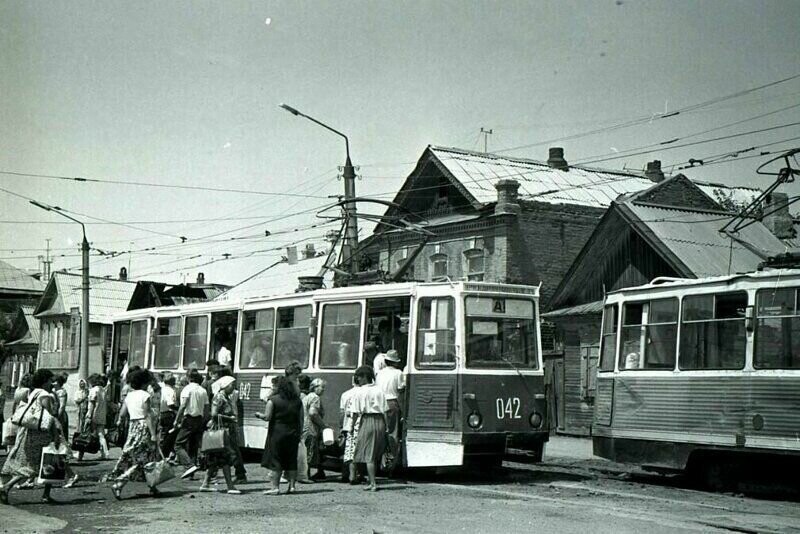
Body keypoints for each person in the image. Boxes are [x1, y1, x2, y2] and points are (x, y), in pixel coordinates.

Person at [0, 369, 62, 504]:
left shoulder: (34, 392)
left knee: (42, 463)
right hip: (43, 434)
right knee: (46, 462)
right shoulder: (45, 395)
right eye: (50, 381)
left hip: (31, 432)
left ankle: (45, 494)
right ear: (45, 381)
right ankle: (7, 487)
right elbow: (49, 416)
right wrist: (56, 435)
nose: (52, 383)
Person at [109, 369, 160, 500]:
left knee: (144, 457)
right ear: (144, 383)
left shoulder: (129, 396)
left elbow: (122, 414)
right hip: (143, 427)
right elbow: (148, 415)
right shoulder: (145, 395)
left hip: (133, 427)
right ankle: (120, 483)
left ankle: (152, 486)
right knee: (143, 459)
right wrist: (153, 434)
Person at [256, 375, 302, 495]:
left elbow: (267, 417)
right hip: (293, 433)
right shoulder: (297, 400)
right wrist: (299, 433)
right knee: (292, 460)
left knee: (276, 459)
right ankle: (292, 486)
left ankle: (275, 487)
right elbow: (301, 419)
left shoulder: (273, 400)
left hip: (277, 433)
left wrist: (259, 415)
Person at [198, 375, 242, 494]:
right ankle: (230, 486)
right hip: (221, 433)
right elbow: (214, 414)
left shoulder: (226, 397)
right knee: (225, 458)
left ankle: (205, 484)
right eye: (232, 385)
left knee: (215, 459)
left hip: (224, 432)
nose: (233, 387)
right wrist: (230, 418)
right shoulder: (219, 397)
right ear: (225, 386)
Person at [350, 365, 389, 491]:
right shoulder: (379, 390)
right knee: (375, 451)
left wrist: (351, 426)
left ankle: (373, 483)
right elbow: (385, 411)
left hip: (367, 420)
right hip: (380, 421)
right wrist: (387, 426)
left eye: (359, 377)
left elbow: (356, 412)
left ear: (365, 377)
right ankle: (371, 481)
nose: (358, 380)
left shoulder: (360, 391)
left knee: (368, 454)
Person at [172, 369, 209, 479]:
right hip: (199, 419)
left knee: (178, 444)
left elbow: (183, 406)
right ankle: (191, 473)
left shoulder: (187, 389)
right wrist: (204, 420)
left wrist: (177, 420)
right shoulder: (203, 390)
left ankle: (189, 465)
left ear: (188, 378)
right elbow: (207, 408)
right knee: (193, 445)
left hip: (188, 419)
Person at [376, 350, 405, 472]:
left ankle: (379, 459)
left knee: (382, 432)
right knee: (393, 433)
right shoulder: (398, 373)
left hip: (379, 402)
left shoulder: (379, 373)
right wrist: (403, 410)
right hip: (392, 402)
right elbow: (400, 391)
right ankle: (393, 461)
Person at [303, 378, 327, 481]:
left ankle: (304, 474)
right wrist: (323, 425)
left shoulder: (306, 397)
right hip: (311, 428)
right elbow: (313, 413)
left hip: (303, 427)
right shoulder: (315, 398)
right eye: (322, 387)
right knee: (310, 452)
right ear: (315, 387)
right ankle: (306, 475)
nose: (323, 390)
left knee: (305, 451)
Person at [82, 373, 109, 460]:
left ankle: (80, 453)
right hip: (102, 414)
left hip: (94, 414)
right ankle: (105, 452)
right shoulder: (102, 390)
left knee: (85, 433)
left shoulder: (94, 390)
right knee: (101, 434)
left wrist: (89, 415)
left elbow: (92, 404)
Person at [339, 373, 360, 483]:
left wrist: (341, 426)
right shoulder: (362, 393)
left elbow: (342, 412)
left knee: (347, 450)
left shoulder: (345, 394)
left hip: (347, 425)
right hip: (357, 425)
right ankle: (354, 475)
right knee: (357, 451)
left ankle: (345, 474)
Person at [158, 372, 179, 458]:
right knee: (168, 436)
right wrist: (178, 409)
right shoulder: (170, 391)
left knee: (163, 435)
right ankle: (164, 455)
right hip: (169, 414)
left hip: (161, 413)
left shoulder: (162, 389)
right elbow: (170, 404)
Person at [53, 374, 70, 441]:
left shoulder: (62, 392)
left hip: (60, 414)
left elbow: (62, 406)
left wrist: (57, 417)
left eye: (54, 381)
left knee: (60, 432)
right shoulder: (54, 390)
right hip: (53, 413)